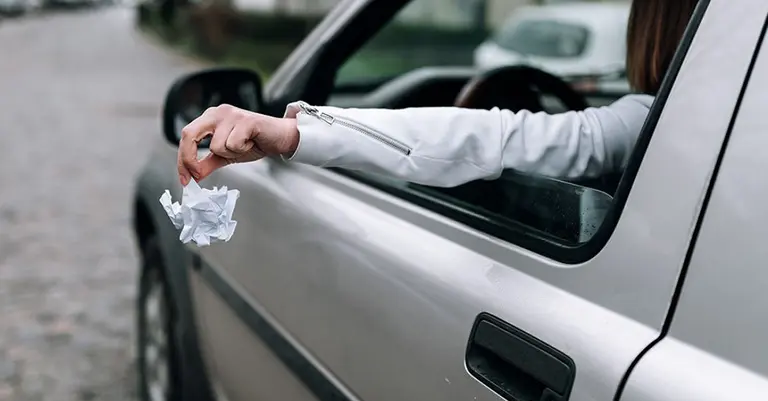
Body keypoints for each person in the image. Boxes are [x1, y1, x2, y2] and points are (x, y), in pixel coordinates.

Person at [177, 0, 699, 189]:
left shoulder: (648, 123)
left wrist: (293, 133)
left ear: (655, 26)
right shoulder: (703, 122)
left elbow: (485, 138)